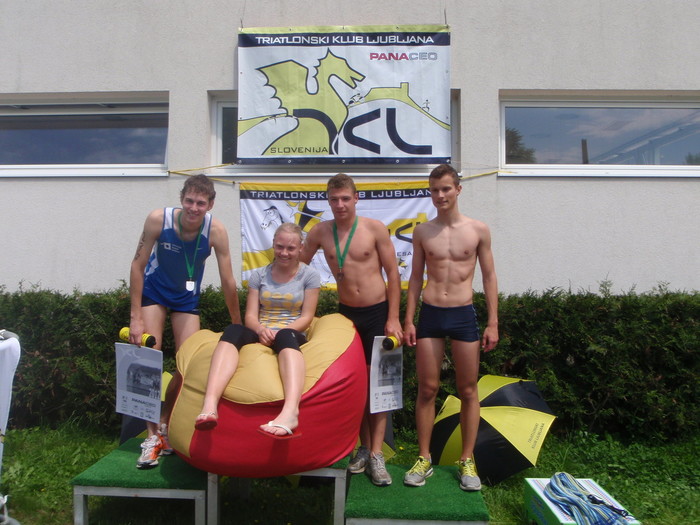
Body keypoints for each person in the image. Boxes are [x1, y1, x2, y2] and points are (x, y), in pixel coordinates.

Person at [129, 174, 241, 469]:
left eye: (200, 203)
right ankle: (151, 436)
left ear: (210, 205)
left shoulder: (216, 230)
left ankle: (165, 424)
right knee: (150, 359)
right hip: (154, 292)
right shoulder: (159, 219)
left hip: (186, 299)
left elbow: (228, 281)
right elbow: (138, 265)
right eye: (189, 201)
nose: (193, 208)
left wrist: (237, 324)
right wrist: (135, 317)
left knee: (186, 363)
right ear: (181, 199)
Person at [301, 173, 403, 486]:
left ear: (356, 198)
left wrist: (394, 318)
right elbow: (298, 269)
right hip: (347, 316)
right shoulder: (320, 232)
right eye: (334, 199)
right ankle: (363, 447)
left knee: (379, 386)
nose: (340, 204)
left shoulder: (374, 229)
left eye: (346, 198)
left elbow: (393, 274)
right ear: (328, 201)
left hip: (378, 313)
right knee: (357, 385)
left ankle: (377, 454)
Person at [402, 164, 499, 491]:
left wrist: (493, 322)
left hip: (462, 314)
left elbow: (489, 277)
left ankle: (467, 459)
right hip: (431, 314)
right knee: (427, 389)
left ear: (458, 189)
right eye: (434, 190)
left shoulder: (478, 230)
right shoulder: (423, 232)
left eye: (445, 188)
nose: (440, 195)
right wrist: (409, 319)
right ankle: (424, 457)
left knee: (468, 390)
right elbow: (416, 277)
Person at [195, 223, 320, 437]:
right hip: (262, 331)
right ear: (273, 244)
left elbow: (307, 317)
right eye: (279, 246)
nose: (284, 253)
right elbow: (250, 317)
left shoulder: (309, 275)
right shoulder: (259, 275)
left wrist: (279, 332)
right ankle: (210, 405)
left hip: (291, 333)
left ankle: (291, 411)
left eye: (290, 248)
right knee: (234, 330)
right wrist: (261, 330)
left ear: (300, 248)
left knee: (285, 335)